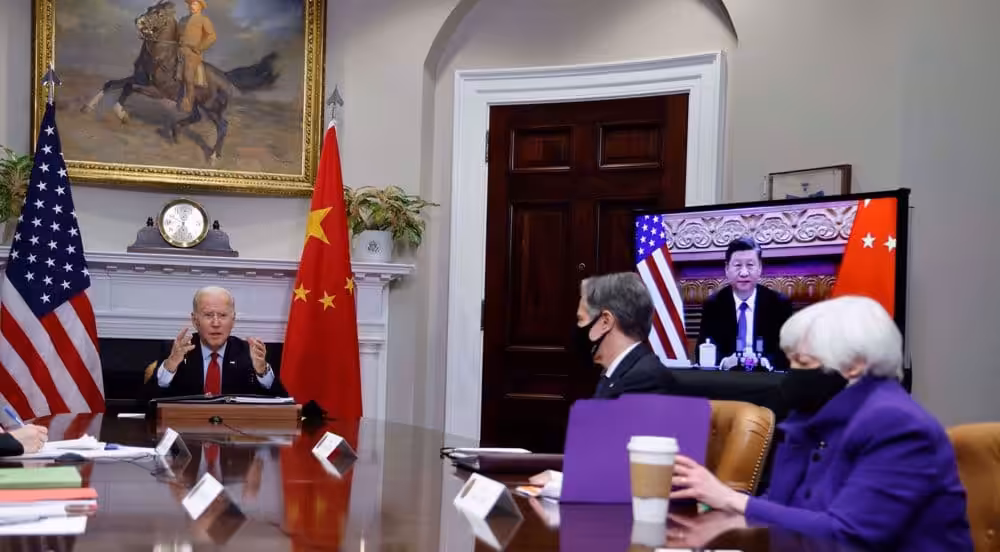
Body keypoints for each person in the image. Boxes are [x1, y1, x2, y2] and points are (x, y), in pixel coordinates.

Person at [670, 296, 973, 550]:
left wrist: (733, 500)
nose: (792, 373)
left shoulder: (898, 425)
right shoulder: (816, 414)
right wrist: (722, 506)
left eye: (803, 363)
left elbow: (848, 536)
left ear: (854, 365)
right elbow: (791, 506)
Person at [143, 286, 281, 399]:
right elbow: (145, 403)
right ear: (195, 320)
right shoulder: (176, 351)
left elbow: (282, 405)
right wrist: (171, 365)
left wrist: (262, 371)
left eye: (223, 315)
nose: (216, 323)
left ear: (233, 320)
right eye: (208, 315)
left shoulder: (249, 353)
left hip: (235, 431)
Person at [696, 237, 794, 371]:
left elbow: (788, 351)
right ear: (727, 269)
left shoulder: (778, 303)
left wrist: (765, 362)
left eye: (750, 265)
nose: (743, 273)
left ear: (759, 268)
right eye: (737, 265)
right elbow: (703, 348)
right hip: (728, 379)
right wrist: (724, 362)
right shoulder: (714, 304)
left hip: (767, 378)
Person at [575, 272, 675, 398]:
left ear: (605, 322)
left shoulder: (644, 379)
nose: (578, 327)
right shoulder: (615, 372)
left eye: (581, 319)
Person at [177, 0, 217, 113]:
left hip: (193, 52)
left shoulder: (204, 20)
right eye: (190, 4)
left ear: (200, 6)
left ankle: (189, 101)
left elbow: (212, 37)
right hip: (179, 49)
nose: (191, 6)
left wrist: (199, 47)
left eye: (194, 4)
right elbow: (176, 35)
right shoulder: (183, 19)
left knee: (188, 72)